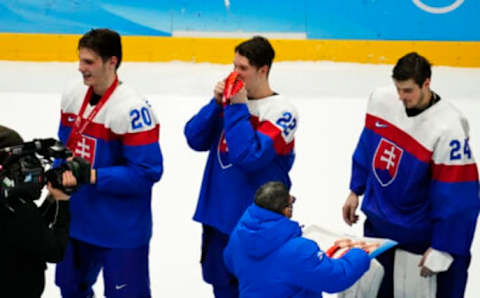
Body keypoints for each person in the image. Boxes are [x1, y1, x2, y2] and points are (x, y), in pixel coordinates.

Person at [343, 52, 480, 297]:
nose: (401, 97)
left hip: (419, 237)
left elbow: (459, 197)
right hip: (379, 226)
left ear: (426, 83)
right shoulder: (382, 100)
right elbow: (368, 146)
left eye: (408, 91)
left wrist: (444, 247)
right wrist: (355, 189)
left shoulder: (448, 128)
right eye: (398, 89)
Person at [184, 36, 298, 297]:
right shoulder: (229, 103)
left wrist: (236, 108)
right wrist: (215, 104)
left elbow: (249, 157)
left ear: (263, 70)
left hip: (257, 225)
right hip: (217, 216)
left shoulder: (282, 112)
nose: (235, 74)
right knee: (221, 286)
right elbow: (194, 138)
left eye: (243, 68)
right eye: (234, 66)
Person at [54, 28, 163, 298]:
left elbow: (146, 173)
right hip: (77, 221)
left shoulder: (133, 110)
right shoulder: (73, 94)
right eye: (80, 60)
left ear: (112, 61)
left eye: (89, 62)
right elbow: (64, 145)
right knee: (69, 289)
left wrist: (92, 176)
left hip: (120, 230)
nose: (81, 68)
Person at [224, 181, 371, 297]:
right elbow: (336, 278)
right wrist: (359, 253)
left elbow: (229, 262)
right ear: (286, 210)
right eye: (291, 201)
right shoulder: (298, 251)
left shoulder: (239, 235)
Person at [0, 125, 73, 298]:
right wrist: (62, 203)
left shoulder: (12, 206)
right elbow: (54, 251)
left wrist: (51, 199)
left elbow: (30, 230)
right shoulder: (16, 207)